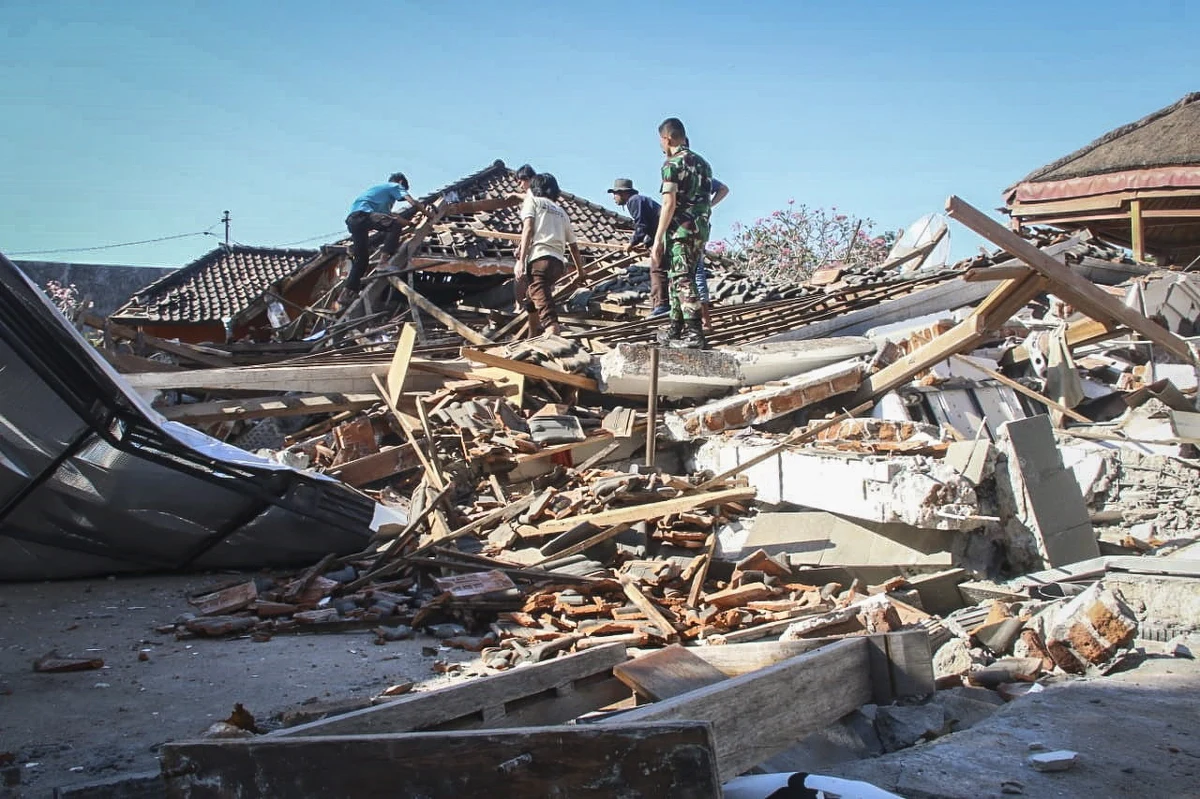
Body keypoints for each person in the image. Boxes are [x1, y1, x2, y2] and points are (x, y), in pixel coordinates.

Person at [651, 118, 713, 349]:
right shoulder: (704, 164)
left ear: (666, 139)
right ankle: (675, 328)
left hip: (681, 231)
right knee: (678, 278)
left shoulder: (671, 164)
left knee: (682, 279)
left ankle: (695, 333)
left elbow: (669, 203)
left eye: (660, 141)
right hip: (700, 230)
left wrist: (658, 238)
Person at [342, 173, 434, 302]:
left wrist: (410, 224)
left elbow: (393, 217)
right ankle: (383, 262)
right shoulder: (395, 185)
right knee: (394, 226)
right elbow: (413, 202)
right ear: (400, 182)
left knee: (362, 259)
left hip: (354, 221)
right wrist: (428, 214)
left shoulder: (380, 198)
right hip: (363, 215)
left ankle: (346, 294)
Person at [516, 173, 585, 337]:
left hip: (539, 260)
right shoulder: (562, 212)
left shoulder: (533, 201)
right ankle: (532, 335)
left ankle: (552, 330)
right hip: (558, 264)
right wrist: (580, 272)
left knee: (543, 302)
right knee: (531, 298)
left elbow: (528, 229)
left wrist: (521, 261)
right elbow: (573, 246)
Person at [607, 178, 669, 317]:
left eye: (615, 194)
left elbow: (642, 226)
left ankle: (661, 305)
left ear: (623, 193)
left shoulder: (634, 201)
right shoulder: (640, 200)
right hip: (664, 234)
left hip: (665, 236)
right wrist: (646, 243)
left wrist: (631, 243)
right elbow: (651, 225)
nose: (614, 198)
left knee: (657, 270)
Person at [695, 176, 730, 331]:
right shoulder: (701, 174)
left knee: (692, 272)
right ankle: (704, 320)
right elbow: (723, 189)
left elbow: (723, 189)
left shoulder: (679, 173)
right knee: (696, 271)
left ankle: (703, 321)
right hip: (701, 226)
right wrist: (708, 206)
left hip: (687, 227)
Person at [510, 164, 537, 312]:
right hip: (539, 242)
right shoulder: (538, 194)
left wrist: (521, 250)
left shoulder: (532, 198)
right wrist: (515, 195)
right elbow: (527, 196)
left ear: (529, 179)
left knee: (519, 274)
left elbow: (528, 229)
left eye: (521, 181)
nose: (520, 185)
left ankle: (519, 306)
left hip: (534, 243)